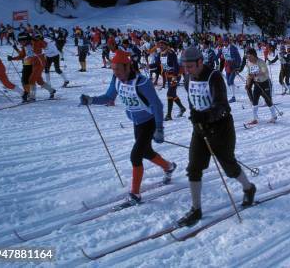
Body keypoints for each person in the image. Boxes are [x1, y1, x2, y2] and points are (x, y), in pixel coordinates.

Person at [79, 50, 176, 207]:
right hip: (136, 123)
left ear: (128, 67)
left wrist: (159, 128)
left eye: (118, 69)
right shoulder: (116, 80)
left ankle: (135, 194)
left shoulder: (142, 82)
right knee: (146, 152)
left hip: (149, 122)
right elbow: (109, 97)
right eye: (113, 68)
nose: (115, 72)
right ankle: (169, 167)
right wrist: (91, 100)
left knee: (135, 156)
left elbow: (156, 105)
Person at [176, 47, 256, 226]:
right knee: (194, 167)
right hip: (200, 128)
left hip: (221, 127)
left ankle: (249, 188)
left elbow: (221, 106)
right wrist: (195, 116)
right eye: (185, 67)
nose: (187, 71)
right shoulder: (188, 77)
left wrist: (205, 116)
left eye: (190, 66)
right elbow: (192, 100)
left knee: (229, 165)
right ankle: (196, 209)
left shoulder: (214, 77)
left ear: (200, 62)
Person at [243, 48, 278, 126]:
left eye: (249, 56)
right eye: (247, 56)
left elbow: (264, 72)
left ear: (254, 55)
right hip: (257, 84)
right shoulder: (249, 63)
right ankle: (255, 119)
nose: (248, 58)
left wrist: (255, 75)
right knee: (255, 101)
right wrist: (248, 85)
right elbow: (249, 75)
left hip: (265, 82)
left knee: (268, 100)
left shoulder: (261, 62)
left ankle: (274, 116)